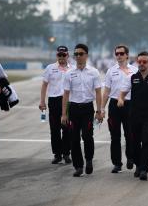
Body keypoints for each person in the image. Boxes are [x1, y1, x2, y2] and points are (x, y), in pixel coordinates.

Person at [118, 51, 148, 181]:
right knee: (134, 142)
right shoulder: (132, 77)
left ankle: (144, 169)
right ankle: (138, 165)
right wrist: (121, 99)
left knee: (146, 142)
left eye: (144, 62)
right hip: (134, 115)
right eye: (139, 62)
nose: (141, 64)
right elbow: (122, 92)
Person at [61, 43, 103, 177]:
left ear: (86, 55)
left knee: (87, 135)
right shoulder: (69, 73)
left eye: (81, 54)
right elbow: (66, 95)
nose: (78, 56)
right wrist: (64, 114)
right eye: (76, 54)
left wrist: (99, 111)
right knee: (74, 139)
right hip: (73, 109)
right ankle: (78, 166)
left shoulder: (94, 72)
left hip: (87, 109)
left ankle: (89, 160)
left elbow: (98, 92)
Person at [101, 45, 138, 173]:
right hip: (114, 104)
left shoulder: (135, 70)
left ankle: (131, 158)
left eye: (122, 53)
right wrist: (101, 108)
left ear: (127, 55)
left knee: (130, 134)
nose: (119, 56)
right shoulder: (111, 71)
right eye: (117, 54)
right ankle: (117, 163)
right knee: (115, 136)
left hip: (130, 105)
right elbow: (106, 91)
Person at [39, 46, 73, 165]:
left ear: (68, 56)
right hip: (54, 101)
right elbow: (44, 85)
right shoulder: (50, 68)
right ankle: (57, 154)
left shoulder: (72, 69)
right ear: (56, 55)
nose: (62, 57)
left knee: (67, 129)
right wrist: (42, 101)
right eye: (59, 55)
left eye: (64, 55)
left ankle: (66, 154)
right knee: (54, 130)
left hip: (67, 101)